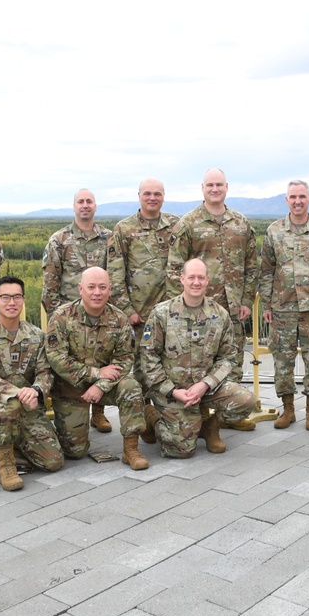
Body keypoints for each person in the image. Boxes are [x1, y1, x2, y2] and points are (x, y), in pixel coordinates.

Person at [166, 168, 258, 429]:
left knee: (233, 361)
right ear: (202, 188)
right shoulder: (188, 224)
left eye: (219, 184)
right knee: (198, 362)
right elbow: (175, 269)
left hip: (232, 307)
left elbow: (252, 265)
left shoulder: (241, 223)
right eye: (210, 185)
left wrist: (246, 300)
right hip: (198, 311)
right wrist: (182, 307)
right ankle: (201, 416)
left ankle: (227, 417)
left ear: (227, 187)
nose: (214, 189)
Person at [140, 259, 256, 457]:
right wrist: (173, 391)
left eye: (201, 278)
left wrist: (205, 384)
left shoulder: (220, 315)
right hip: (173, 390)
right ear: (182, 279)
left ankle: (210, 427)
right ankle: (152, 417)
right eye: (191, 277)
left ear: (207, 280)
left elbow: (228, 358)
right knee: (181, 451)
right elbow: (148, 358)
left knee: (245, 401)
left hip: (206, 388)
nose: (196, 282)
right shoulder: (162, 313)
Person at [46, 267, 150, 469]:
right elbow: (56, 357)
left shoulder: (119, 320)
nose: (97, 292)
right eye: (91, 287)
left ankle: (131, 449)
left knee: (130, 387)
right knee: (74, 452)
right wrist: (95, 373)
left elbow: (124, 360)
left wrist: (100, 385)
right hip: (70, 389)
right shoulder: (61, 317)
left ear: (110, 289)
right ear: (80, 289)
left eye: (102, 287)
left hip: (104, 387)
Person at [259, 180, 309, 431]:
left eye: (302, 196)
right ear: (286, 200)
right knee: (282, 360)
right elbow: (266, 270)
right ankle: (288, 409)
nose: (297, 201)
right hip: (282, 307)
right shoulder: (274, 231)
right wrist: (267, 304)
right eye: (293, 196)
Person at [0, 276, 64, 490]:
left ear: (23, 300)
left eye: (17, 297)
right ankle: (6, 463)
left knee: (53, 461)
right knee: (10, 405)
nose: (11, 302)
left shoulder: (37, 336)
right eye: (5, 297)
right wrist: (17, 392)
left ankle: (14, 442)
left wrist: (36, 390)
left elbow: (45, 371)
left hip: (28, 405)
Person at [107, 178, 179, 436]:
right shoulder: (123, 228)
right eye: (147, 193)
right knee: (138, 369)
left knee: (169, 365)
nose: (152, 198)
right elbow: (115, 273)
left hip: (170, 313)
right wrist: (127, 311)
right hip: (137, 314)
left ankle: (167, 416)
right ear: (138, 196)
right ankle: (143, 420)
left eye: (157, 194)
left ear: (163, 196)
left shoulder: (175, 225)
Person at [42, 188, 114, 433]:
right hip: (68, 318)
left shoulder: (108, 237)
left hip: (100, 313)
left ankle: (99, 413)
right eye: (80, 201)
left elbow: (115, 275)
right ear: (74, 206)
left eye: (89, 201)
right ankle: (74, 407)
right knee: (71, 364)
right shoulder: (59, 239)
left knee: (101, 358)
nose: (85, 205)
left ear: (95, 206)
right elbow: (50, 281)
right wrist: (55, 318)